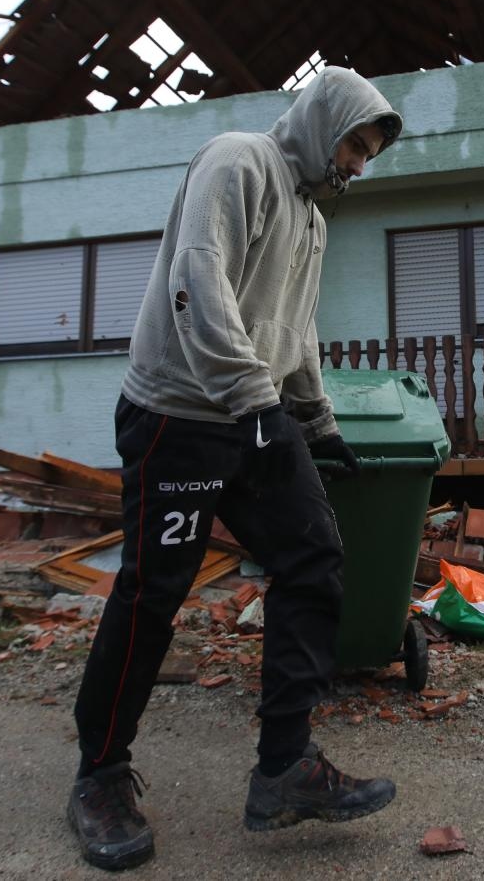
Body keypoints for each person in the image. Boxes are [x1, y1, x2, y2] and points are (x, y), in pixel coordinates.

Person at [67, 67, 403, 871]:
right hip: (180, 413)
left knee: (313, 556)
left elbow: (295, 324)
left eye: (369, 152)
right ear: (323, 122)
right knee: (155, 591)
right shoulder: (239, 159)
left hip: (255, 410)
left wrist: (314, 421)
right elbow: (198, 280)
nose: (358, 162)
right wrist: (254, 400)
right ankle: (99, 777)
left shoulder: (313, 217)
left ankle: (284, 770)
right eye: (354, 142)